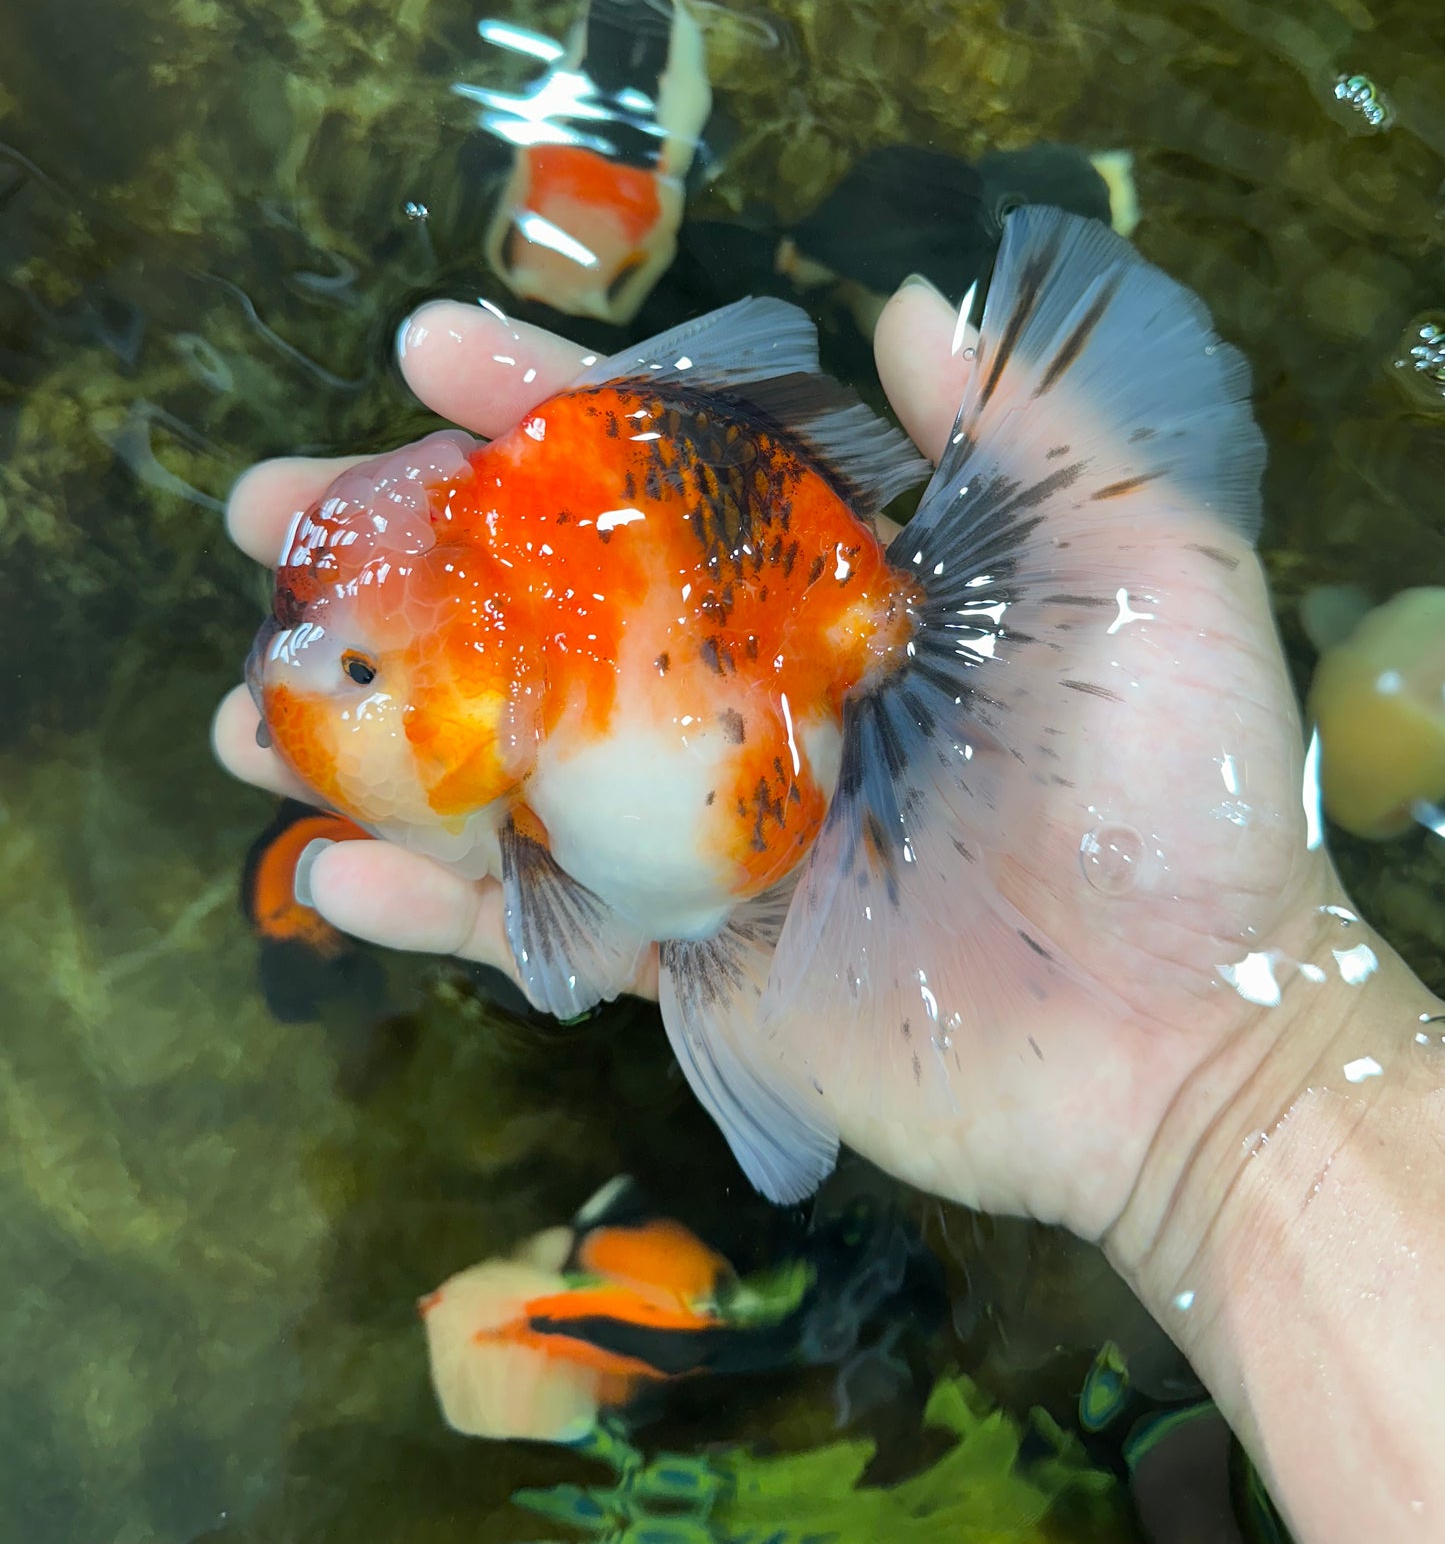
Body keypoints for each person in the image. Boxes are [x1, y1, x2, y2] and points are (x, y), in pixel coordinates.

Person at [213, 277, 1445, 1544]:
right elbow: (572, 929)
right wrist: (1240, 1097)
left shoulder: (645, 640)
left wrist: (1238, 1082)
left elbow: (574, 929)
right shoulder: (518, 700)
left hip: (784, 701)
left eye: (362, 674)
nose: (308, 695)